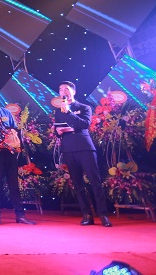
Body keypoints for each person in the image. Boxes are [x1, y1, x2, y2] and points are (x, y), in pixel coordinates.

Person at [55, 81, 112, 227]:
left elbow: (84, 124)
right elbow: (57, 129)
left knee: (95, 181)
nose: (63, 92)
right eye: (61, 90)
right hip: (68, 149)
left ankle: (103, 214)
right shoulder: (58, 111)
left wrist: (68, 112)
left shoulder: (84, 107)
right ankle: (86, 214)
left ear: (73, 91)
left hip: (85, 147)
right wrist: (58, 131)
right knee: (77, 183)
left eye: (66, 89)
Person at [0, 85, 36, 225]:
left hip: (10, 153)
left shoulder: (6, 112)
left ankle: (20, 215)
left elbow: (13, 130)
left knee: (13, 184)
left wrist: (16, 145)